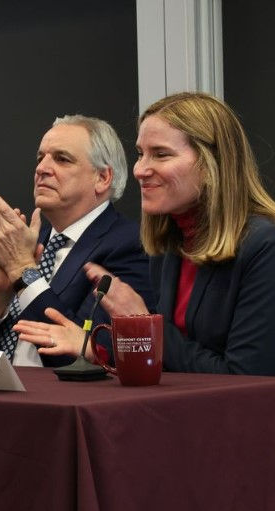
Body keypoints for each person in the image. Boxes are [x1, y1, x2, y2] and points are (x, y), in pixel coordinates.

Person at [15, 92, 275, 374]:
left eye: (161, 154)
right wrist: (98, 349)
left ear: (212, 164)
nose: (140, 170)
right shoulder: (169, 246)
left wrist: (142, 324)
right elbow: (163, 369)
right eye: (140, 154)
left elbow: (245, 380)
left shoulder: (264, 247)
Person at [0, 115, 153, 367]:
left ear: (102, 178)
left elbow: (90, 354)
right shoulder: (29, 241)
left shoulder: (130, 244)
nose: (41, 168)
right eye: (40, 157)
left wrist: (23, 272)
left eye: (62, 159)